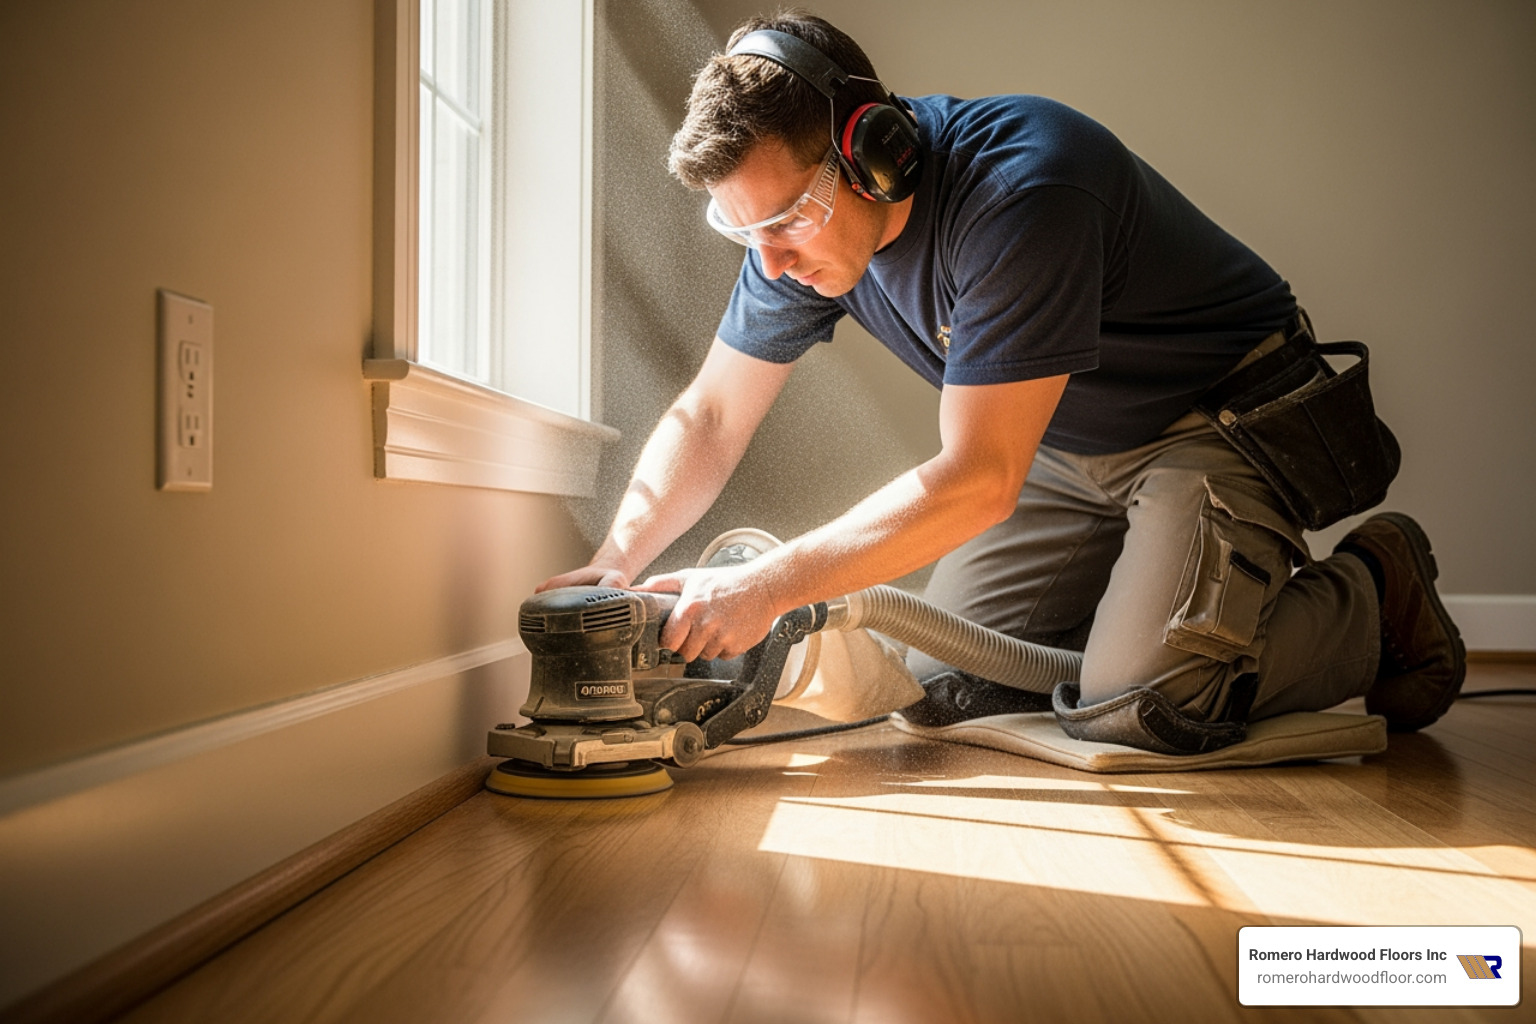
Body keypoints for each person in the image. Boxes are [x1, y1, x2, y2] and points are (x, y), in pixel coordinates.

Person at [540, 9, 1465, 752]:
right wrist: (618, 561)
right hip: (1068, 444)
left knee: (1144, 702)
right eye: (744, 233)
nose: (770, 262)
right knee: (950, 683)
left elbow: (979, 478)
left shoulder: (1025, 190)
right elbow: (709, 415)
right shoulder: (802, 247)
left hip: (1217, 422)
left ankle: (1376, 591)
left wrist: (768, 587)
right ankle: (1154, 609)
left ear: (877, 152)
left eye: (785, 218)